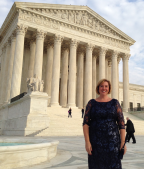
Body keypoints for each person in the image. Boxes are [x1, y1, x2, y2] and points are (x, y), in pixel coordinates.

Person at [83, 79, 127, 169]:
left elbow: (121, 124)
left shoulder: (115, 103)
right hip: (95, 142)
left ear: (109, 88)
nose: (104, 88)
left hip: (113, 142)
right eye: (101, 86)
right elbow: (85, 123)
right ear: (98, 88)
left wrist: (123, 142)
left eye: (106, 86)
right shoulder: (91, 103)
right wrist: (87, 142)